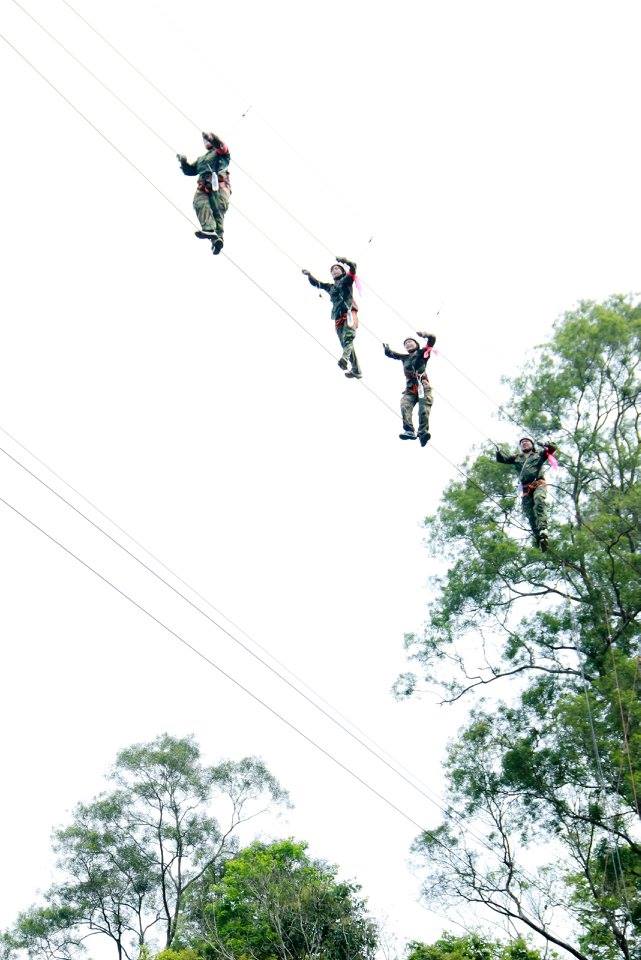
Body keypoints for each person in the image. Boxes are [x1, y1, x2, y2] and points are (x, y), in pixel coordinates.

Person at [302, 258, 361, 379]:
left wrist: (344, 261)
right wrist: (309, 275)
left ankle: (344, 359)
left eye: (337, 268)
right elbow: (317, 283)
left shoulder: (347, 280)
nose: (334, 271)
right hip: (338, 317)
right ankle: (356, 369)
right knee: (345, 343)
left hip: (349, 313)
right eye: (332, 270)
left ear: (342, 271)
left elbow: (353, 267)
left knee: (348, 337)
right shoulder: (330, 287)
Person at [495, 437, 558, 551]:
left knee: (539, 499)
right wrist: (498, 451)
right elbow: (502, 459)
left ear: (532, 445)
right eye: (522, 443)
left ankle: (543, 528)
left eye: (527, 442)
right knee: (529, 513)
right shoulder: (516, 457)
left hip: (538, 483)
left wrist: (545, 444)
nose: (524, 443)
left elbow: (553, 448)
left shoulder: (539, 454)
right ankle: (539, 537)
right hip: (526, 488)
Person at [177, 132, 231, 255]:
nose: (206, 142)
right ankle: (209, 230)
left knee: (217, 210)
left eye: (207, 140)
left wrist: (213, 138)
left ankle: (217, 239)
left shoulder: (220, 154)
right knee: (199, 203)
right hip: (204, 187)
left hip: (219, 187)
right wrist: (183, 163)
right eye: (204, 141)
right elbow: (191, 170)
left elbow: (222, 148)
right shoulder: (201, 159)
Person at [383, 333, 436, 446]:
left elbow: (432, 339)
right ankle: (409, 430)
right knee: (404, 405)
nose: (408, 344)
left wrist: (425, 334)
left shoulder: (422, 353)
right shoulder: (405, 358)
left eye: (410, 342)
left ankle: (423, 433)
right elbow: (392, 354)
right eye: (406, 343)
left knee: (423, 410)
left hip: (423, 387)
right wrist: (387, 349)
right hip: (410, 389)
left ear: (416, 344)